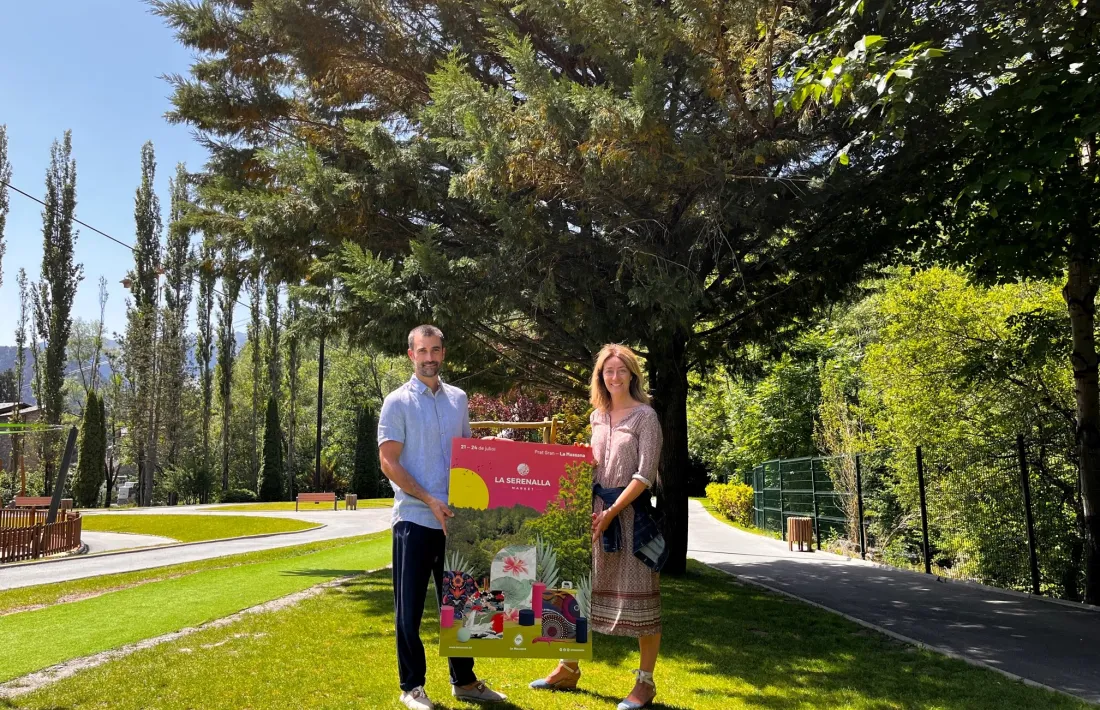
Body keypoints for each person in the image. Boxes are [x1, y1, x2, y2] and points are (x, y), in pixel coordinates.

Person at [378, 325, 507, 710]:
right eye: (423, 350)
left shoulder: (459, 399)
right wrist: (429, 499)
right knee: (410, 611)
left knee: (465, 607)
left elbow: (465, 456)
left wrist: (497, 453)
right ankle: (412, 688)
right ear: (411, 354)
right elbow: (388, 462)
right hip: (414, 520)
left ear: (443, 354)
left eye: (436, 350)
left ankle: (464, 681)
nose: (430, 357)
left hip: (457, 522)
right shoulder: (396, 403)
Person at [530, 343, 665, 710]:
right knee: (578, 590)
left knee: (643, 602)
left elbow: (644, 474)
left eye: (622, 370)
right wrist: (578, 460)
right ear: (600, 376)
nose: (615, 376)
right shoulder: (596, 416)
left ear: (632, 374)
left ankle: (645, 683)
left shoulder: (645, 417)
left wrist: (612, 512)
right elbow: (596, 466)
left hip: (631, 519)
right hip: (592, 516)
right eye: (608, 371)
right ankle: (567, 668)